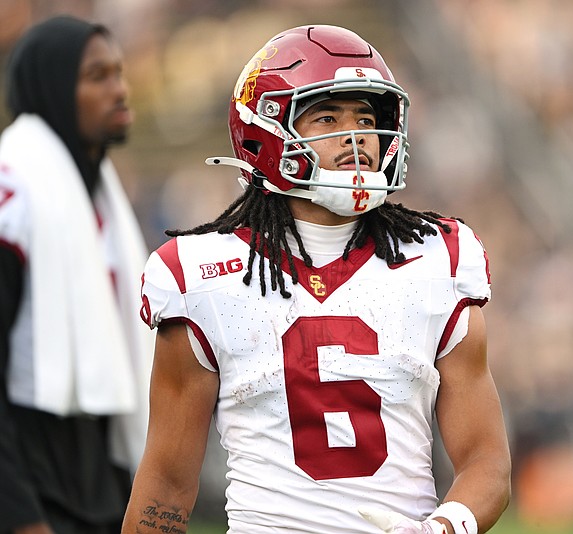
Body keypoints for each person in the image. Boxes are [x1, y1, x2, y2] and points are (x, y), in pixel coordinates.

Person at [122, 24, 511, 534]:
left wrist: (442, 528)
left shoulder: (436, 259)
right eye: (327, 117)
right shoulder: (204, 278)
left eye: (366, 118)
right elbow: (166, 488)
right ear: (265, 134)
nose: (357, 139)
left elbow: (487, 463)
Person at [0, 15, 153, 534]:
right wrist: (20, 516)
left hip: (98, 479)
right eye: (97, 77)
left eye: (119, 71)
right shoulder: (13, 196)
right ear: (50, 88)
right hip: (31, 483)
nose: (120, 89)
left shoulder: (101, 193)